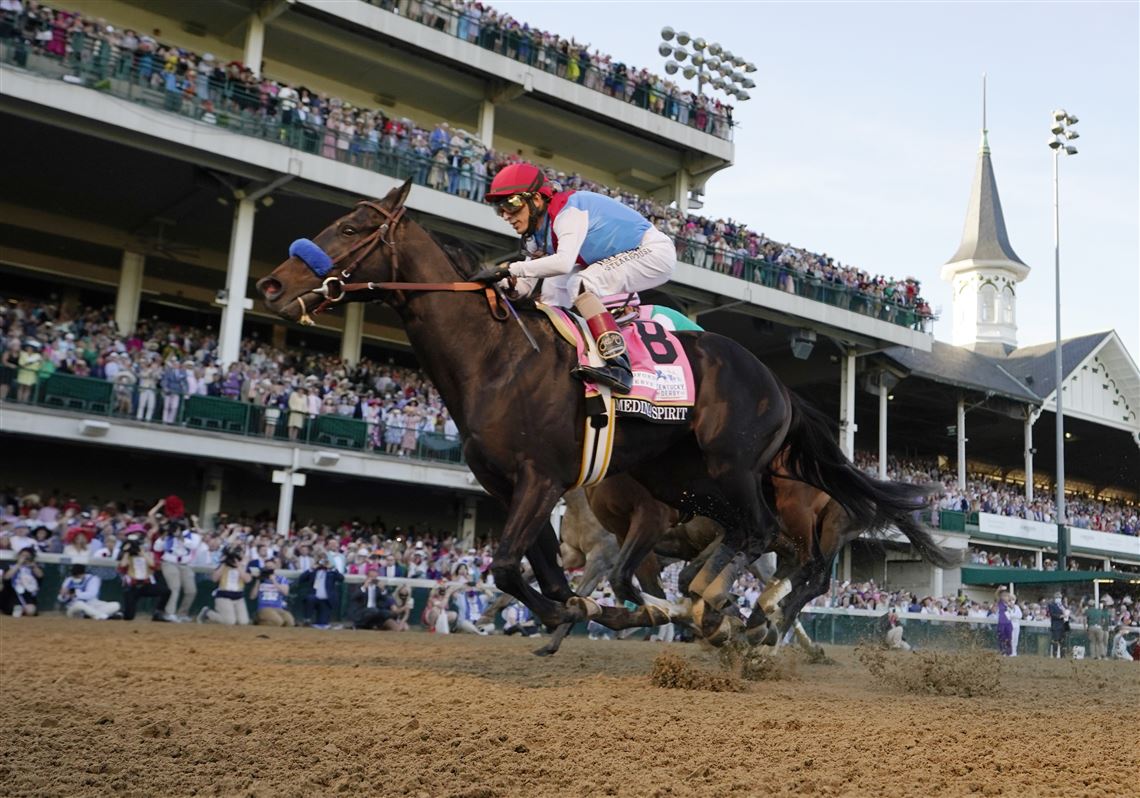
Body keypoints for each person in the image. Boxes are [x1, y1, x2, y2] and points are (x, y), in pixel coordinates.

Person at [474, 163, 677, 393]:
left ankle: (619, 365)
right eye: (499, 209)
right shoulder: (535, 235)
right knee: (550, 293)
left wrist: (512, 268)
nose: (506, 215)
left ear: (537, 200)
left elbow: (563, 262)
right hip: (612, 256)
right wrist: (499, 281)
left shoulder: (567, 212)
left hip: (652, 251)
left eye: (512, 204)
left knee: (581, 283)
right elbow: (522, 287)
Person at [117, 529, 172, 621]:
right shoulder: (127, 556)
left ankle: (158, 612)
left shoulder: (148, 554)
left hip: (146, 584)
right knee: (129, 616)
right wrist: (127, 551)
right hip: (132, 586)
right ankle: (121, 614)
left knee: (166, 591)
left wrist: (141, 552)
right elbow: (122, 566)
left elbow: (153, 565)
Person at [197, 545, 252, 625]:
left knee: (244, 622)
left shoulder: (244, 566)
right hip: (224, 595)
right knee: (229, 621)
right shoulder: (223, 565)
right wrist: (224, 563)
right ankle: (207, 613)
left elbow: (248, 580)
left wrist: (239, 566)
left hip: (239, 597)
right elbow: (214, 579)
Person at [298, 554, 343, 629]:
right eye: (320, 560)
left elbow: (341, 579)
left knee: (322, 623)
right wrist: (311, 568)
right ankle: (307, 619)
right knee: (310, 598)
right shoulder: (313, 571)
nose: (322, 563)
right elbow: (301, 579)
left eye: (324, 560)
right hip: (314, 597)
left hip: (326, 600)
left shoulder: (331, 572)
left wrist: (332, 568)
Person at [252, 560, 294, 627]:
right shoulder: (261, 579)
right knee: (278, 621)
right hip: (264, 607)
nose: (269, 569)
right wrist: (258, 581)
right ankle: (258, 623)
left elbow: (285, 592)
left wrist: (274, 581)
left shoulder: (281, 579)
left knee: (290, 622)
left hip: (278, 607)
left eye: (271, 567)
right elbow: (252, 596)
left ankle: (261, 622)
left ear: (275, 568)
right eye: (267, 567)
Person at [3, 547, 44, 617]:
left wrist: (33, 566)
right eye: (23, 555)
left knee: (31, 610)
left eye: (27, 556)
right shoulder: (11, 566)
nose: (25, 558)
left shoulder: (33, 568)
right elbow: (6, 577)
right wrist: (19, 564)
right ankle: (18, 610)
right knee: (15, 608)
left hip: (28, 595)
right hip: (13, 594)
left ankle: (22, 610)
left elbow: (40, 576)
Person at [1048, 591, 1069, 659]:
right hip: (1056, 625)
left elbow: (1067, 611)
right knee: (1055, 641)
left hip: (1063, 625)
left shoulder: (1063, 605)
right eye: (1057, 597)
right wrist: (1061, 616)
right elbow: (1052, 614)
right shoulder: (1052, 605)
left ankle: (1063, 655)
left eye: (1059, 597)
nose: (1058, 598)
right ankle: (1055, 655)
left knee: (1063, 641)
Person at [995, 588, 1013, 656]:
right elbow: (996, 596)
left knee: (1009, 638)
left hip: (1008, 623)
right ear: (1001, 597)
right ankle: (1002, 651)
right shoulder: (1000, 602)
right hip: (1002, 623)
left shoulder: (1009, 604)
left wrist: (1009, 603)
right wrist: (998, 590)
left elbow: (1012, 608)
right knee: (1001, 637)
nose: (1005, 597)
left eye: (1007, 596)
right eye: (1004, 596)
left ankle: (1009, 652)